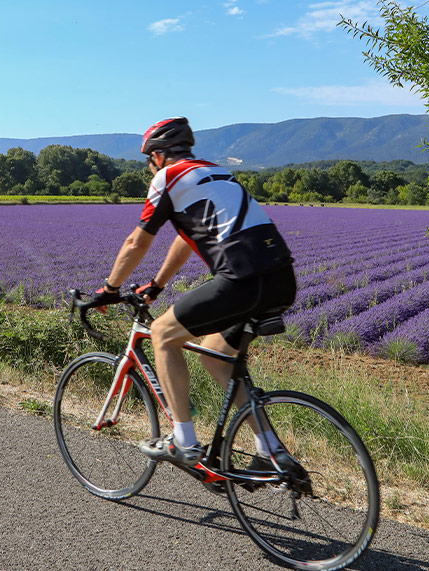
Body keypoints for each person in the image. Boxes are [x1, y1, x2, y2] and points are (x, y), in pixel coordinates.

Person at [92, 117, 297, 468]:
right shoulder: (215, 173)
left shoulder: (167, 178)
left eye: (149, 159)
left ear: (157, 155)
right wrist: (157, 285)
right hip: (281, 279)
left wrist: (110, 289)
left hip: (242, 280)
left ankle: (183, 442)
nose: (149, 166)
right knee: (215, 354)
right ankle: (272, 452)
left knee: (162, 334)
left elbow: (135, 242)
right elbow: (184, 240)